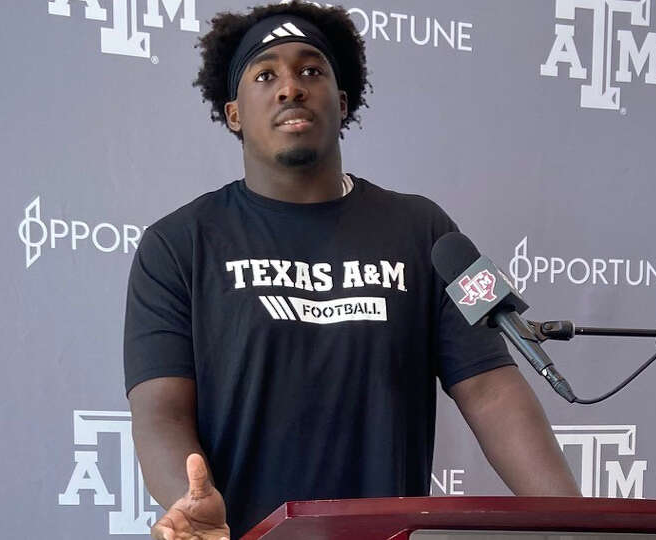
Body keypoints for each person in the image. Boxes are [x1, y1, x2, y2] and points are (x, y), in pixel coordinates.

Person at [123, 2, 580, 539]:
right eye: (265, 74)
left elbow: (492, 389)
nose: (290, 87)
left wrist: (577, 523)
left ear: (341, 104)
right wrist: (189, 501)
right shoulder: (177, 245)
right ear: (234, 114)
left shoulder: (427, 230)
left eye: (310, 70)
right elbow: (161, 412)